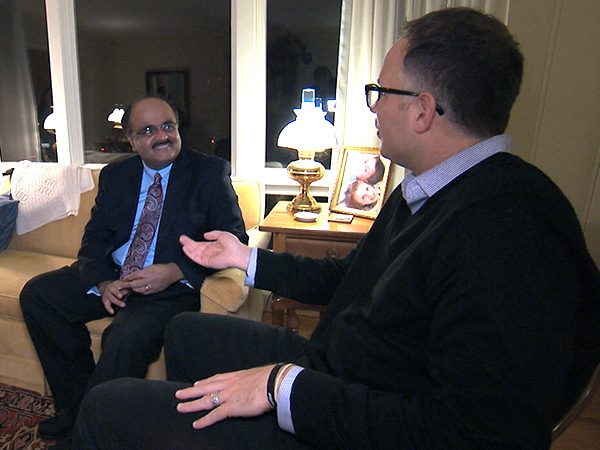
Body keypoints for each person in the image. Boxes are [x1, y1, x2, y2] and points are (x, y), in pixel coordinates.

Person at [73, 8, 600, 449]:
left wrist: (282, 387)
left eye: (380, 92)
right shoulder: (427, 191)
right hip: (337, 367)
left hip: (353, 414)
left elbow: (478, 432)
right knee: (186, 329)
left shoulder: (510, 228)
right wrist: (245, 258)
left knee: (107, 406)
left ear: (422, 111)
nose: (374, 109)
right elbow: (348, 278)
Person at [19, 96, 248, 442]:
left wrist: (175, 270)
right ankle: (79, 408)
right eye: (148, 130)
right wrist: (102, 281)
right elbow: (95, 238)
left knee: (125, 337)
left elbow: (234, 237)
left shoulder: (208, 173)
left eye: (168, 126)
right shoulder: (116, 175)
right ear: (131, 139)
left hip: (169, 287)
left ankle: (90, 434)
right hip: (117, 275)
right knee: (39, 295)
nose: (162, 136)